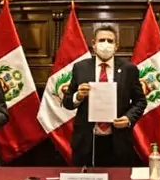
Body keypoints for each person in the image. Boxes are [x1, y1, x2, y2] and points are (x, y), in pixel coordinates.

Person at [63, 25, 147, 168]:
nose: (106, 44)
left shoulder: (129, 69)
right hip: (86, 140)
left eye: (110, 41)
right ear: (94, 44)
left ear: (116, 46)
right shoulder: (80, 67)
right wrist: (78, 96)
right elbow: (67, 102)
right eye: (102, 40)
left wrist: (128, 118)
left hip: (118, 140)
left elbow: (140, 101)